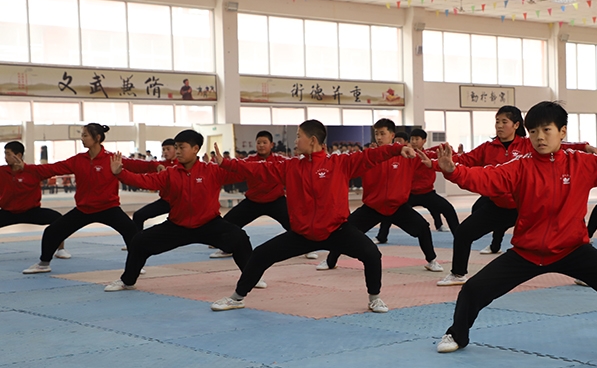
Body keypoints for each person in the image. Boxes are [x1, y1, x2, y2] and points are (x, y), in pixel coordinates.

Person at [429, 101, 597, 362]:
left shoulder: (584, 164)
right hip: (527, 251)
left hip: (572, 248)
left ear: (562, 131)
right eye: (533, 132)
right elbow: (486, 178)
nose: (539, 137)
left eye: (546, 130)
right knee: (474, 289)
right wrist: (453, 171)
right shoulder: (520, 166)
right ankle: (457, 334)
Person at [209, 119, 418, 314]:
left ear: (313, 140)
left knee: (372, 254)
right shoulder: (290, 166)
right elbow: (258, 169)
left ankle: (374, 298)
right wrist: (226, 163)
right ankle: (237, 298)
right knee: (260, 255)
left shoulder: (340, 163)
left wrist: (398, 149)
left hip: (336, 230)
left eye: (299, 136)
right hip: (302, 234)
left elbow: (372, 156)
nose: (295, 140)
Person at [435, 106, 593, 286]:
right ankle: (458, 273)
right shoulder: (487, 147)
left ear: (516, 125)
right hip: (499, 206)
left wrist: (584, 146)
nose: (499, 126)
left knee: (569, 232)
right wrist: (436, 165)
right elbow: (462, 162)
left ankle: (586, 272)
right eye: (497, 122)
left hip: (526, 205)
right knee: (464, 231)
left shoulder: (528, 143)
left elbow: (561, 145)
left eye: (504, 122)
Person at [104, 129, 258, 292]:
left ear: (195, 149)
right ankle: (127, 281)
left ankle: (251, 278)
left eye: (181, 147)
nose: (177, 151)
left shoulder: (212, 171)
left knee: (239, 238)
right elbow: (145, 181)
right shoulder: (170, 173)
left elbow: (243, 174)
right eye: (175, 147)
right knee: (139, 241)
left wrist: (225, 163)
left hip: (209, 224)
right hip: (177, 225)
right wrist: (120, 173)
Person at [16, 124, 151, 274]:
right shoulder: (78, 160)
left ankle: (136, 265)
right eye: (82, 135)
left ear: (97, 138)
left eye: (85, 135)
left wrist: (158, 166)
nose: (82, 138)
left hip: (109, 208)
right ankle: (44, 263)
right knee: (52, 231)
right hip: (83, 209)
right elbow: (52, 168)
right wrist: (26, 167)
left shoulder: (112, 159)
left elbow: (138, 166)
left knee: (132, 232)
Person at [322, 119, 442, 272]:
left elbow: (428, 156)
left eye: (382, 133)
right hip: (372, 207)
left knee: (423, 228)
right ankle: (330, 261)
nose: (379, 137)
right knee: (344, 231)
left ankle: (431, 260)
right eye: (376, 134)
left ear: (392, 135)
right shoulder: (368, 156)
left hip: (397, 207)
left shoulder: (407, 155)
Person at [208, 130, 319, 261]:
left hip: (276, 201)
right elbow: (236, 170)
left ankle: (308, 249)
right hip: (253, 201)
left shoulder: (281, 161)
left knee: (296, 223)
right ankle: (226, 247)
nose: (261, 145)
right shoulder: (249, 161)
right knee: (228, 222)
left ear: (271, 144)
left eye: (264, 142)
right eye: (259, 142)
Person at [376, 128, 460, 244]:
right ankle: (381, 236)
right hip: (410, 194)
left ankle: (459, 237)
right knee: (391, 210)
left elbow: (448, 155)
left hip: (428, 193)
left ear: (424, 141)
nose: (414, 141)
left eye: (417, 139)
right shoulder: (405, 155)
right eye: (412, 139)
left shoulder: (430, 154)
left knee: (448, 209)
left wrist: (456, 152)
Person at [1, 141, 71, 260]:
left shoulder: (34, 171)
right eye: (5, 154)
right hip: (8, 212)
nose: (5, 157)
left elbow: (54, 169)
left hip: (32, 211)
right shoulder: (2, 172)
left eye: (8, 154)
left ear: (18, 155)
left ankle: (61, 249)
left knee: (58, 219)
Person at [128, 138, 179, 235]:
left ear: (176, 149)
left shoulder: (182, 164)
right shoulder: (159, 165)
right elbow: (147, 166)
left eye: (168, 149)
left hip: (181, 202)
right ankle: (135, 242)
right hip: (166, 201)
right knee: (138, 215)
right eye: (163, 149)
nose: (165, 152)